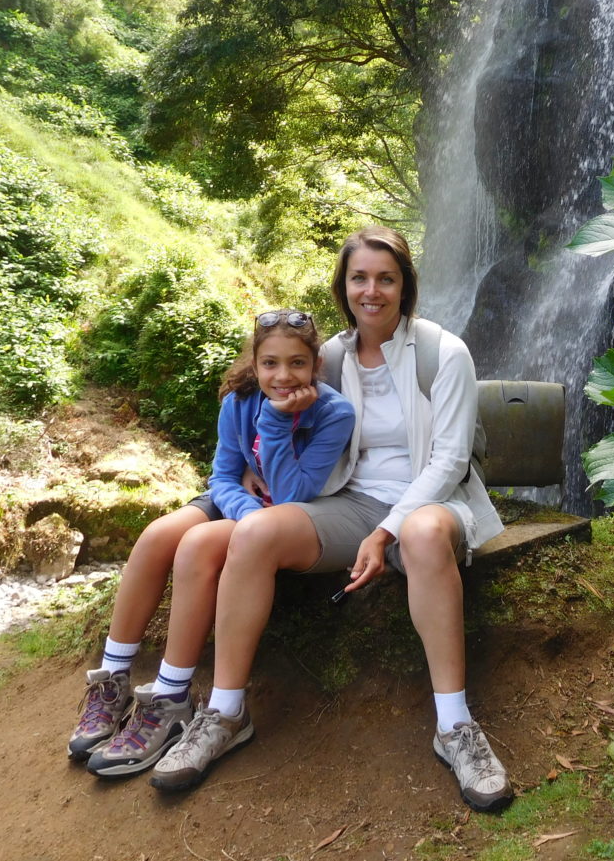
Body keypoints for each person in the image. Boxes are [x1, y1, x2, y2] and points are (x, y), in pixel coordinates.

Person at [147, 226, 514, 810]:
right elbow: (273, 399)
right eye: (359, 278)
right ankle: (224, 712)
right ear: (343, 288)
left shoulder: (446, 352)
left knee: (420, 534)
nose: (372, 290)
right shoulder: (332, 357)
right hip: (346, 503)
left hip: (431, 503)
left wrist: (386, 528)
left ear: (405, 285)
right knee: (255, 530)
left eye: (385, 278)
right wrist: (248, 466)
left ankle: (455, 726)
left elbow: (449, 458)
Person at [67, 310, 355, 779]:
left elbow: (292, 496)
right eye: (271, 364)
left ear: (316, 364)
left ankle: (171, 695)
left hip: (275, 507)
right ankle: (111, 682)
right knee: (157, 534)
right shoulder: (239, 402)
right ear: (255, 363)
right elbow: (221, 475)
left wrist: (279, 426)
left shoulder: (333, 413)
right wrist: (244, 508)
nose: (283, 376)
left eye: (297, 364)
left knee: (197, 544)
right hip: (239, 499)